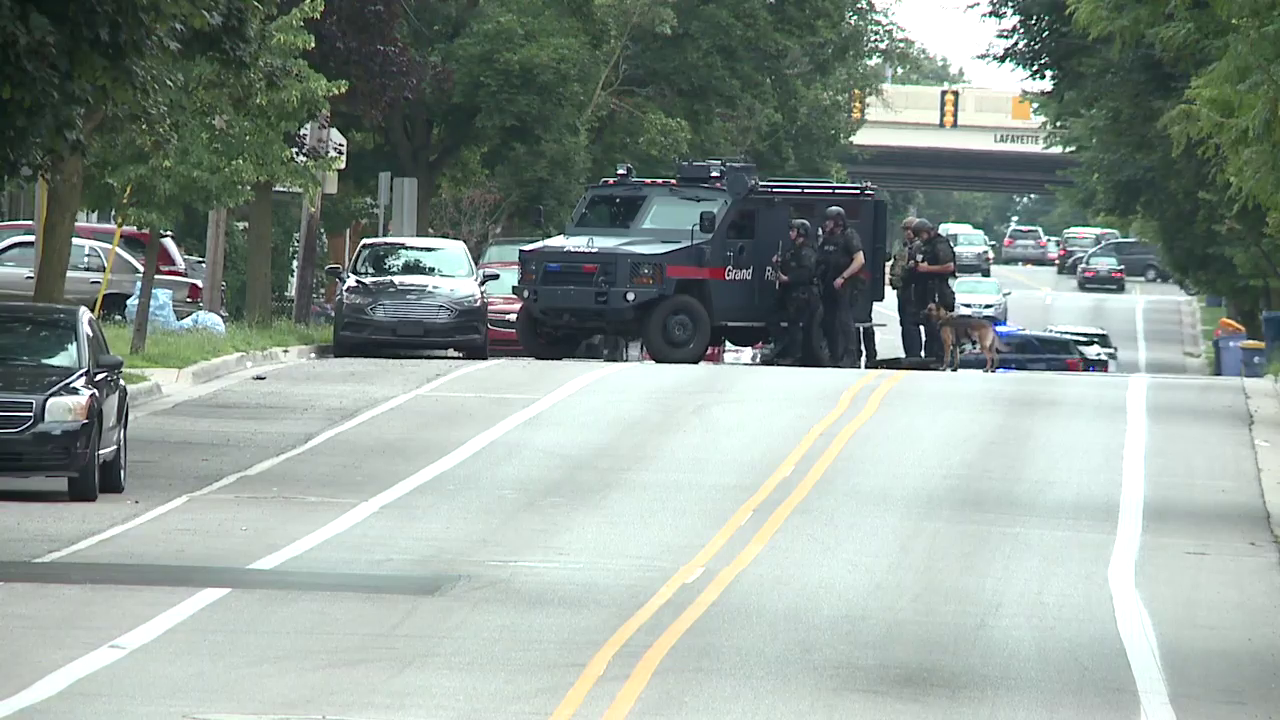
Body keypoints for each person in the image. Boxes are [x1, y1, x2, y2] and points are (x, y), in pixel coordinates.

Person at [763, 219, 819, 364]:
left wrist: (788, 278)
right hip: (788, 292)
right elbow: (787, 263)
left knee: (794, 324)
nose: (790, 233)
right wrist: (777, 263)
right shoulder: (792, 249)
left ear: (801, 233)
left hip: (801, 293)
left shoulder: (807, 251)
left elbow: (806, 273)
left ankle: (795, 356)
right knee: (772, 317)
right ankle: (782, 342)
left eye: (793, 230)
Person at [816, 205, 865, 367]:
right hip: (829, 284)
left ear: (838, 221)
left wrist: (843, 277)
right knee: (828, 321)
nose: (826, 224)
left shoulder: (849, 236)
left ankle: (851, 357)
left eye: (829, 221)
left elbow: (859, 260)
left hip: (846, 284)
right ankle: (835, 355)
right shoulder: (827, 238)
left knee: (845, 320)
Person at [908, 218, 956, 361]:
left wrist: (927, 269)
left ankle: (939, 358)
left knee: (938, 327)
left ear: (928, 232)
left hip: (938, 291)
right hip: (923, 290)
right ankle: (929, 358)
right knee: (927, 326)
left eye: (921, 235)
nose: (920, 238)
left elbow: (949, 266)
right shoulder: (923, 246)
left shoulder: (941, 244)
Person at [889, 216, 923, 358]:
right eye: (906, 229)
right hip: (903, 291)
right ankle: (910, 354)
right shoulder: (903, 247)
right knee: (905, 324)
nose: (908, 232)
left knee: (911, 324)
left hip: (914, 292)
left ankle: (915, 355)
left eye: (911, 229)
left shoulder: (920, 247)